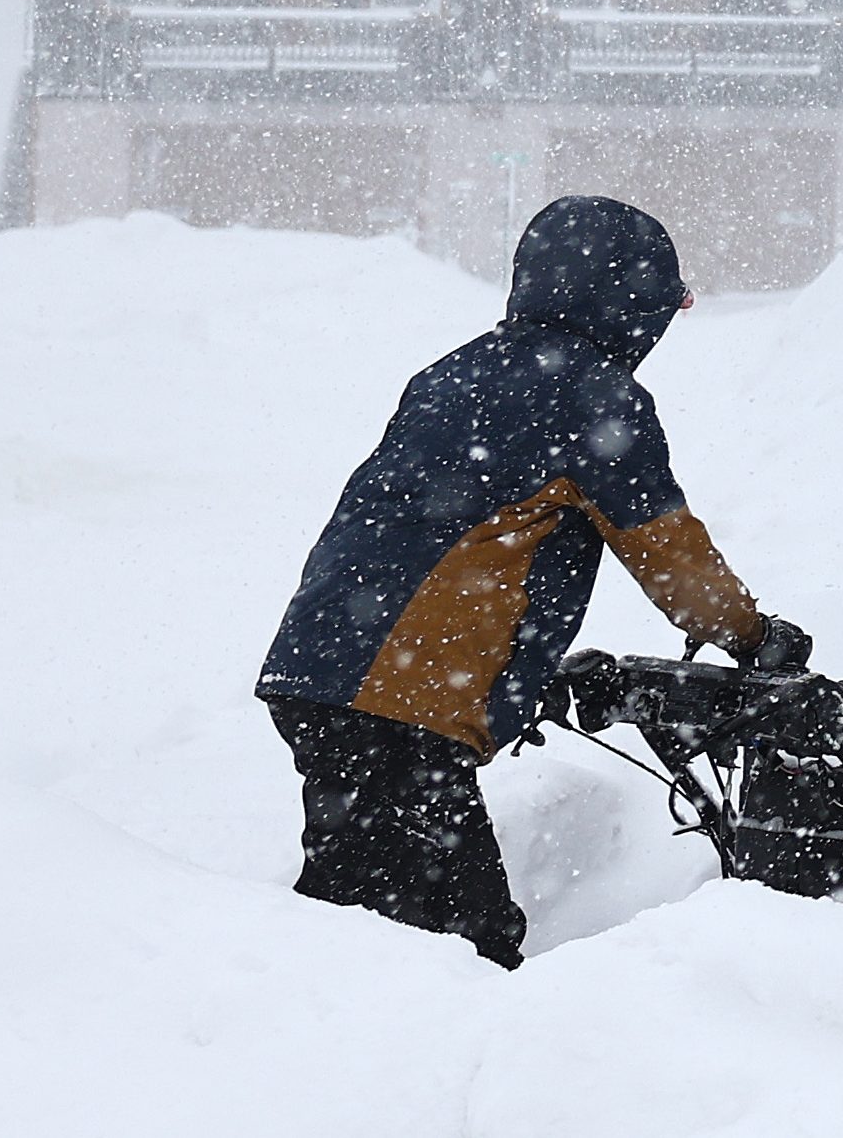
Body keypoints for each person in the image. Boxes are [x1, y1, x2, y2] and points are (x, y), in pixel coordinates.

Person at [255, 194, 802, 967]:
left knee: (361, 904)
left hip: (321, 669)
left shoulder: (454, 371)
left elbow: (438, 539)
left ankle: (287, 1030)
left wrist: (515, 669)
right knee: (461, 937)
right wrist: (753, 635)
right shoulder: (591, 393)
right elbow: (666, 548)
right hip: (403, 700)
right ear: (629, 307)